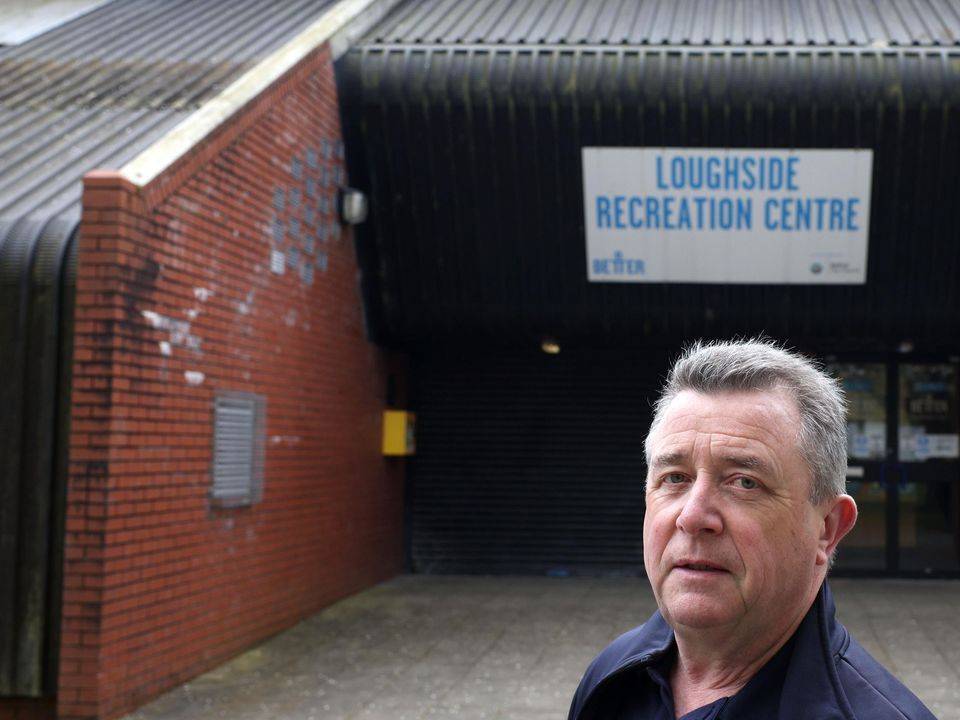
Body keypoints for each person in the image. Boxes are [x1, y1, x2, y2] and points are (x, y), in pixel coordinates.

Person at [568, 339, 936, 720]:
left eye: (745, 482)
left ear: (827, 529)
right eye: (675, 477)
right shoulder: (609, 681)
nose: (692, 517)